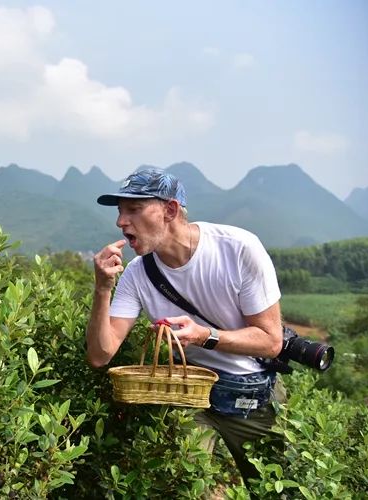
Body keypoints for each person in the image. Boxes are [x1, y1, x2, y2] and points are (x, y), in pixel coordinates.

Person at [85, 168, 286, 490]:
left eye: (133, 210)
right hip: (189, 397)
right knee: (189, 486)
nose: (121, 222)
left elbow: (270, 341)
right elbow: (100, 354)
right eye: (120, 211)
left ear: (170, 210)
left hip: (250, 394)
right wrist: (102, 289)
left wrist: (203, 336)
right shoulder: (137, 274)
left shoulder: (238, 248)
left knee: (277, 487)